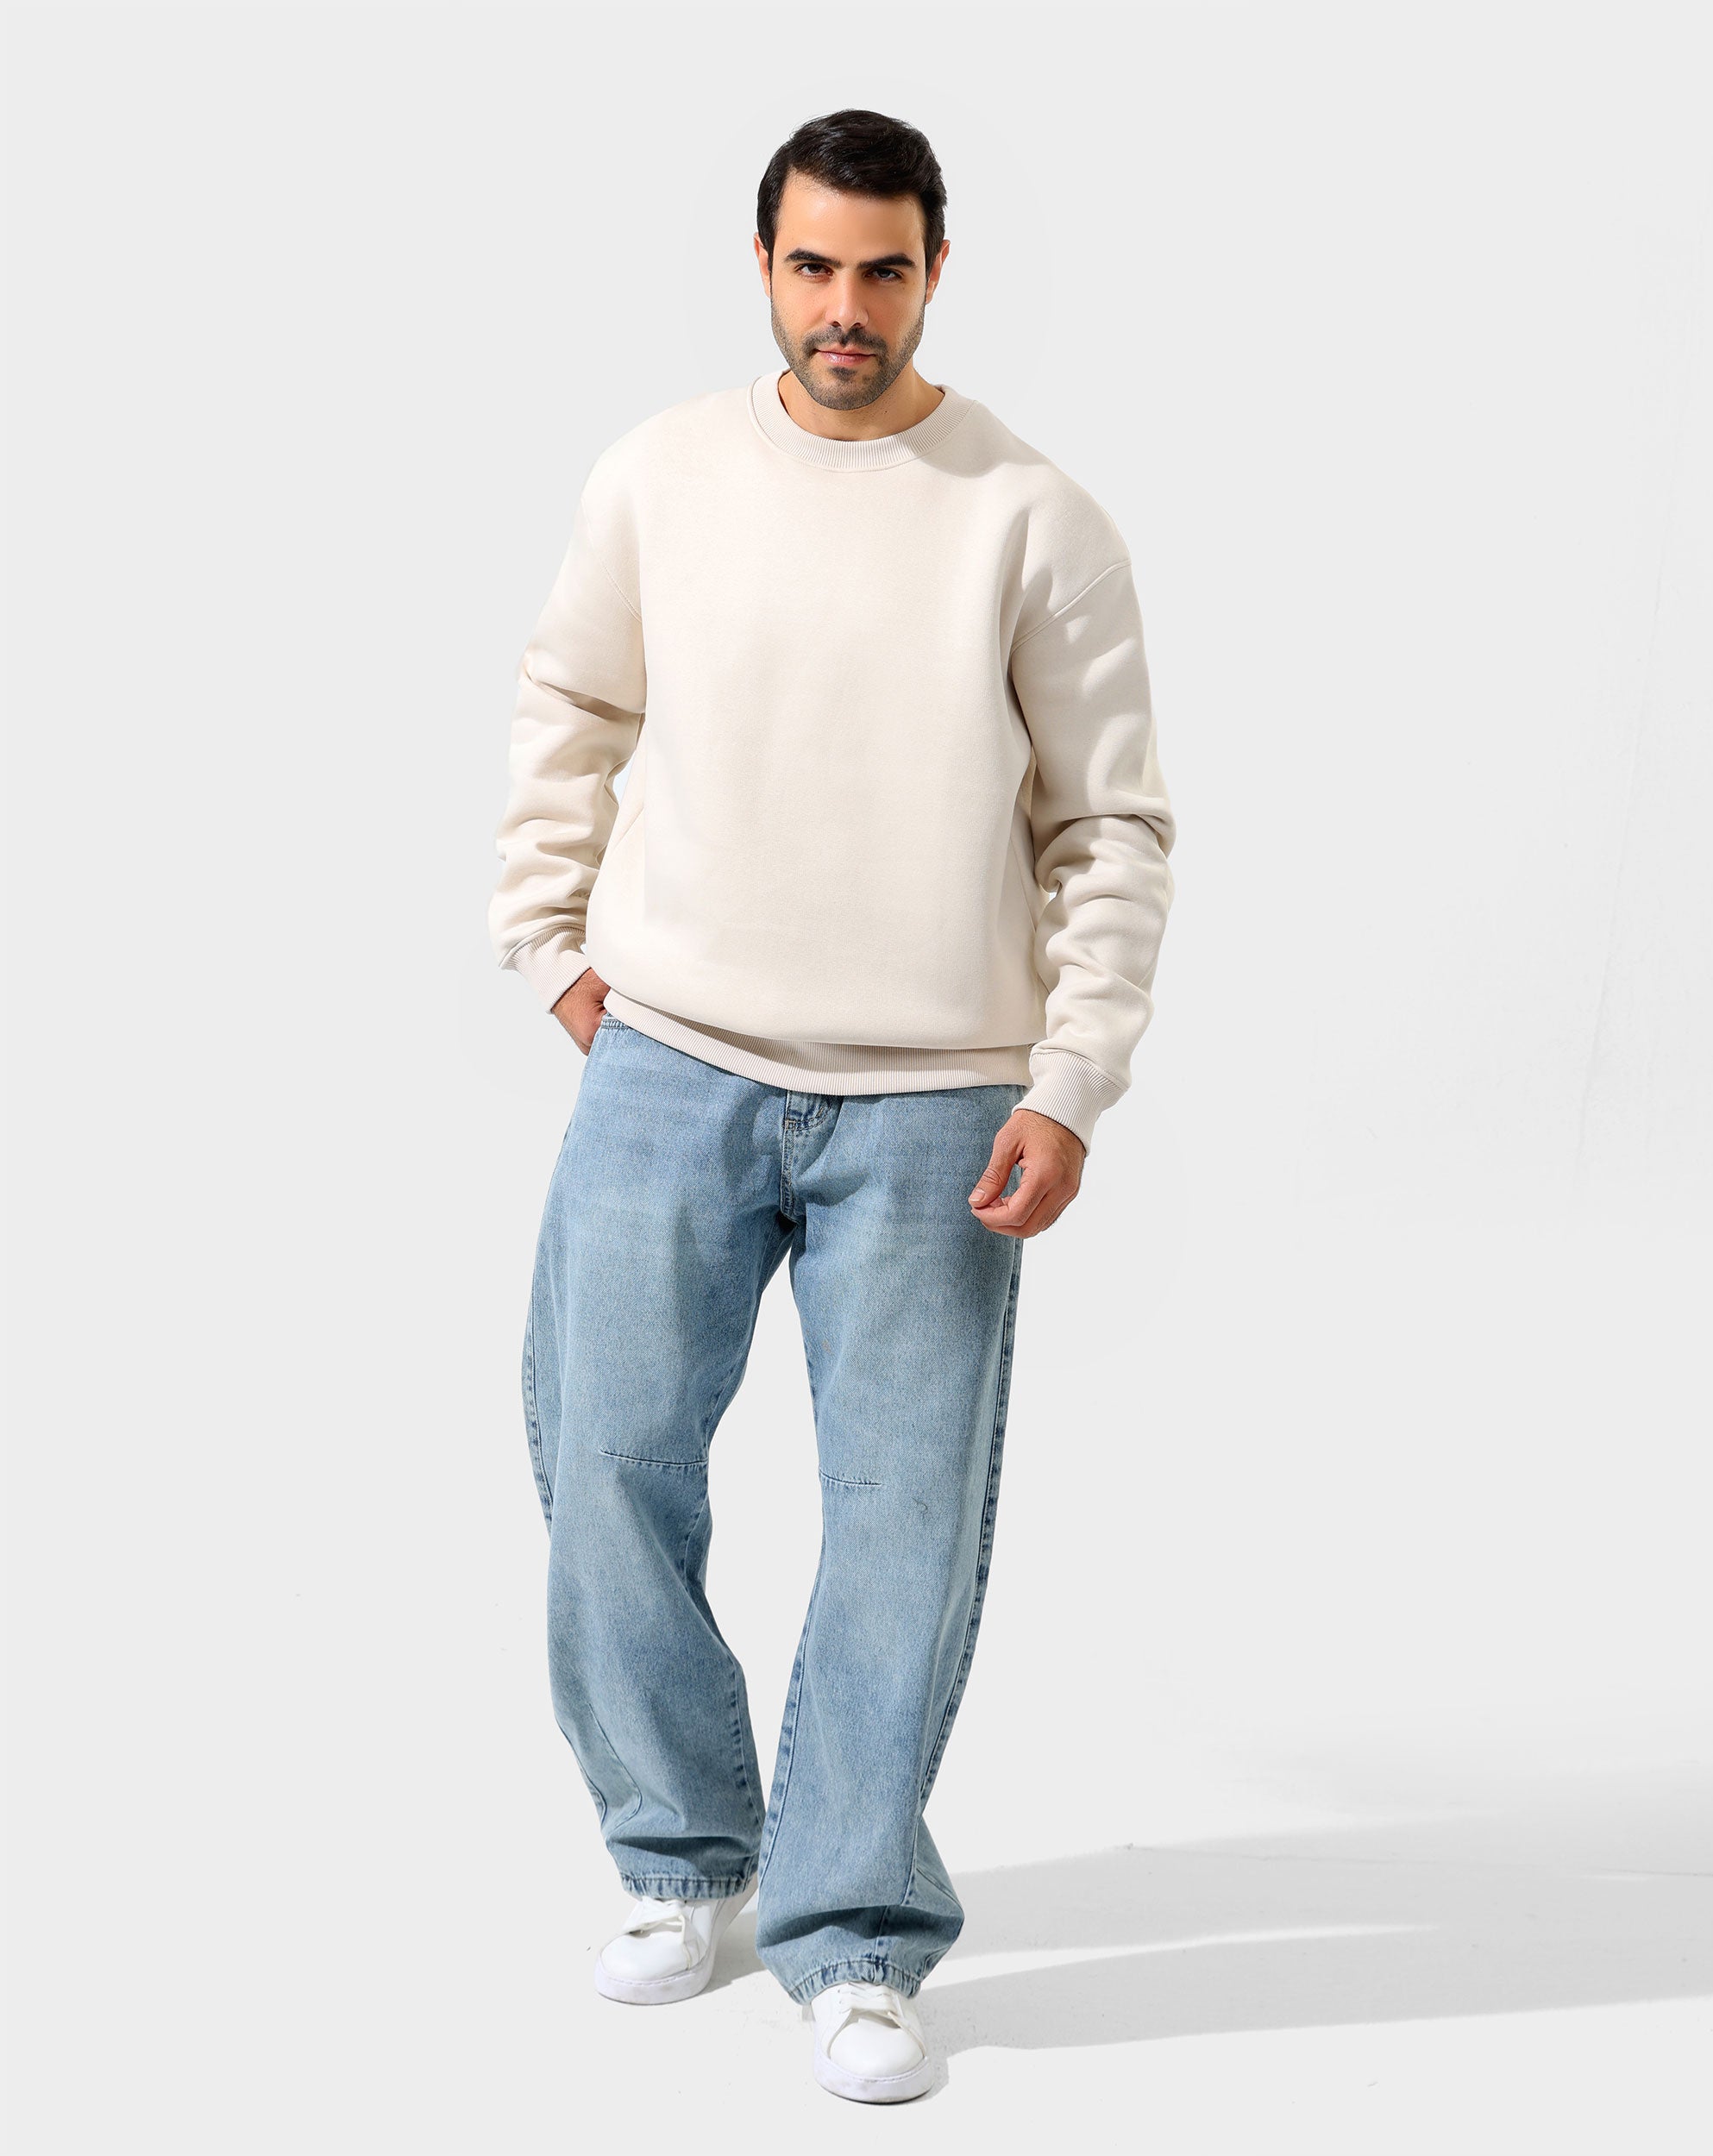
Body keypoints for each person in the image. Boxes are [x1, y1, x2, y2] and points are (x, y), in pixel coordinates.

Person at [487, 107, 1176, 2104]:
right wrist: (547, 945)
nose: (845, 306)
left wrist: (1072, 1078)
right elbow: (568, 706)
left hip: (937, 1100)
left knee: (901, 1524)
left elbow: (1111, 826)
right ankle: (683, 1850)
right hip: (670, 1059)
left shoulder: (1031, 517)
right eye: (812, 266)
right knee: (601, 1457)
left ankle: (854, 1926)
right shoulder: (662, 472)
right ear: (764, 265)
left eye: (882, 268)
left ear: (935, 269)